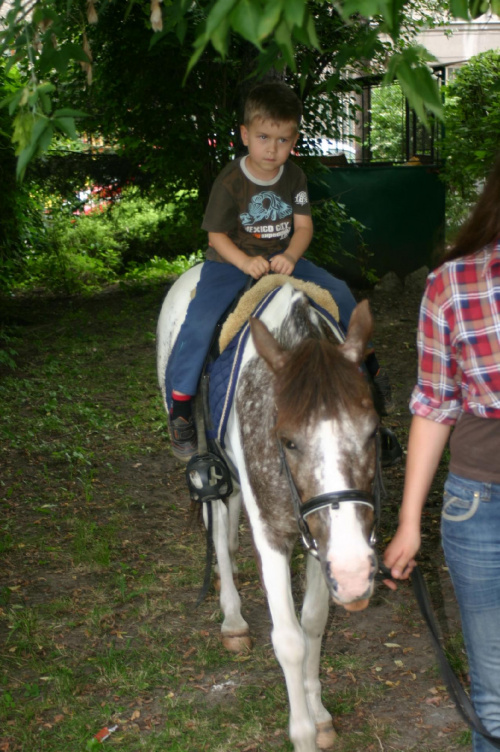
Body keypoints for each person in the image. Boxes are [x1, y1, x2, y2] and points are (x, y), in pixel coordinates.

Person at [168, 81, 392, 461]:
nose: (272, 149)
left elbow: (304, 227)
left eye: (283, 140)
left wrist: (290, 255)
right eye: (263, 137)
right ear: (244, 135)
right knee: (200, 322)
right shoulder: (230, 182)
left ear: (294, 140)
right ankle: (182, 405)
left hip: (282, 257)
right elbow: (216, 235)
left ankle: (367, 366)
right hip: (230, 263)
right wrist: (243, 261)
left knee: (340, 293)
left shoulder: (294, 177)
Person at [383, 155, 500, 750]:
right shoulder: (455, 283)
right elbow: (434, 405)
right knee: (497, 697)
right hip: (481, 506)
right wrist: (408, 523)